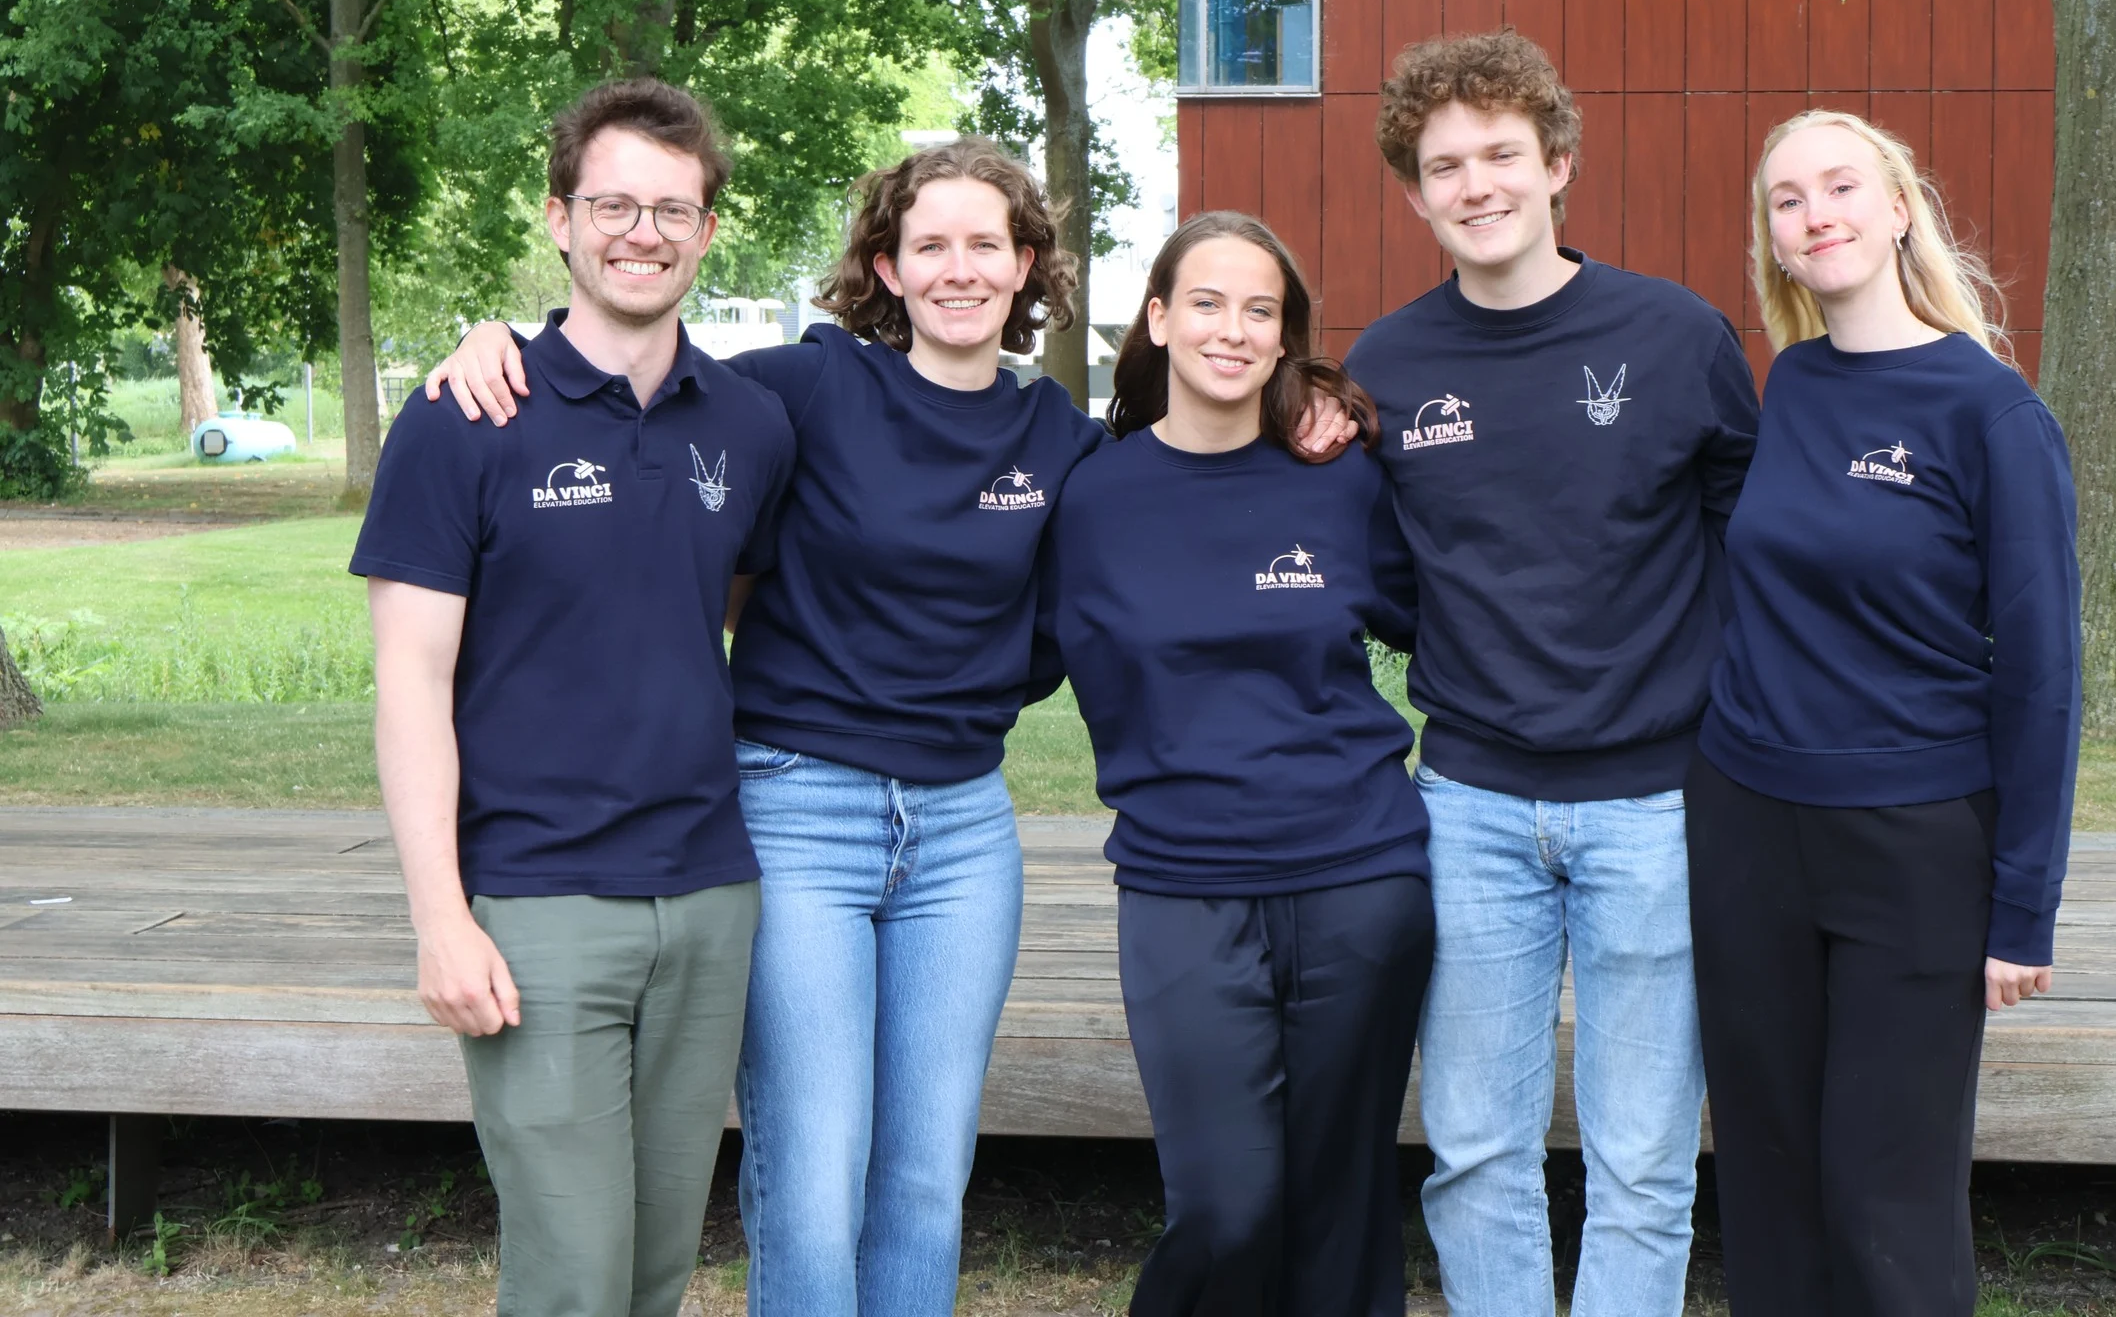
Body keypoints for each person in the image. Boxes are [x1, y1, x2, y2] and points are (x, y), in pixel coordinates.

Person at [419, 141, 1356, 1317]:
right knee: (812, 1176)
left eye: (986, 245)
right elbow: (632, 371)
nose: (959, 268)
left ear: (1027, 268)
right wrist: (498, 339)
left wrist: (1310, 395)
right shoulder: (806, 391)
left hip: (964, 829)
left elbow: (1179, 478)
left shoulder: (1062, 440)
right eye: (930, 246)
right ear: (887, 267)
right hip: (798, 808)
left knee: (924, 1177)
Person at [355, 78, 796, 1317]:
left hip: (711, 898)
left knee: (656, 1269)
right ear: (560, 218)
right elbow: (409, 685)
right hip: (539, 908)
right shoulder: (465, 416)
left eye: (672, 207)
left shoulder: (750, 424)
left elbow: (729, 606)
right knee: (572, 1274)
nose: (641, 232)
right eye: (613, 204)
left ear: (709, 230)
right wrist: (441, 918)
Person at [1341, 29, 1759, 1317]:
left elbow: (1750, 542)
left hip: (1654, 804)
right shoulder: (1391, 368)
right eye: (1444, 165)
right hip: (1468, 805)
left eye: (1501, 154)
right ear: (1414, 194)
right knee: (1475, 1151)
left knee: (1642, 1157)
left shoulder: (1677, 336)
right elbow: (1385, 576)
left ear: (1557, 162)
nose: (1476, 184)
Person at [1688, 109, 2080, 1316]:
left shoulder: (1992, 415)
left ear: (1899, 207)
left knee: (1883, 1191)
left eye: (1841, 187)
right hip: (1750, 827)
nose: (1818, 214)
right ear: (1776, 240)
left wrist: (2024, 907)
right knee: (1765, 1172)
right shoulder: (1794, 382)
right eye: (1788, 200)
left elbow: (2044, 675)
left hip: (1913, 845)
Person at [1036, 211, 1432, 1317]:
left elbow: (1447, 613)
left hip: (1360, 875)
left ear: (1286, 338)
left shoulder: (1343, 477)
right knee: (1228, 1199)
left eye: (1261, 310)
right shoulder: (1092, 498)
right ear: (1158, 318)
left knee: (1342, 1195)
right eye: (1206, 301)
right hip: (1181, 885)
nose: (1232, 327)